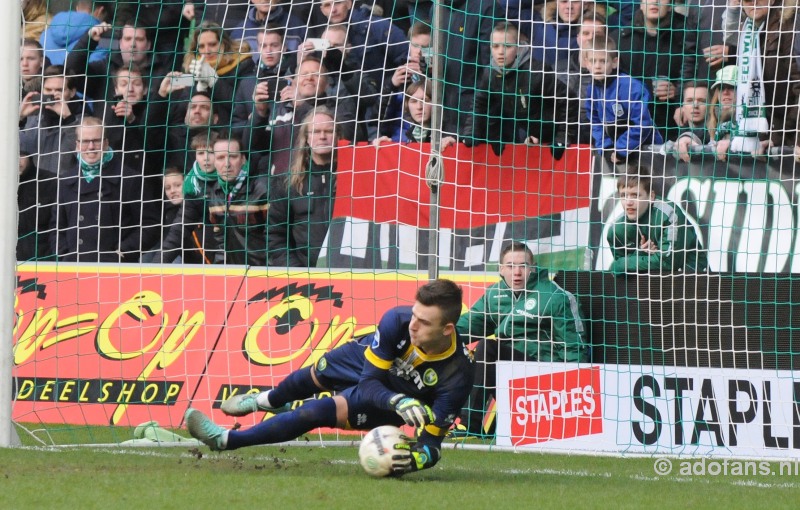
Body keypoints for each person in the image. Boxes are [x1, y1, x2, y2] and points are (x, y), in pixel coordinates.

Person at [184, 278, 474, 476]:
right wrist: (397, 400)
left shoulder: (457, 375)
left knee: (312, 413)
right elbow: (369, 379)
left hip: (384, 401)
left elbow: (431, 446)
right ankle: (266, 400)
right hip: (375, 371)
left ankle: (224, 439)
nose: (413, 325)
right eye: (414, 315)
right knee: (316, 373)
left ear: (447, 329)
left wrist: (414, 460)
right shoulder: (396, 321)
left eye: (424, 323)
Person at [456, 241, 589, 436]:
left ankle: (471, 426)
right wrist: (433, 335)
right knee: (457, 350)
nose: (517, 272)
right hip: (507, 374)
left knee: (488, 348)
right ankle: (444, 419)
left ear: (532, 268)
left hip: (545, 377)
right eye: (510, 266)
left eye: (523, 265)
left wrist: (572, 393)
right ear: (501, 270)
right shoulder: (495, 294)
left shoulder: (554, 296)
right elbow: (469, 325)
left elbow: (574, 347)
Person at [457, 21, 577, 158]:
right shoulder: (490, 73)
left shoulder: (536, 72)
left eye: (507, 46)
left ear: (518, 47)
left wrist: (562, 136)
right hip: (531, 135)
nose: (500, 52)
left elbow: (569, 99)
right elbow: (480, 104)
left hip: (562, 136)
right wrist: (471, 132)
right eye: (495, 46)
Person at [50, 117, 161, 262]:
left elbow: (150, 225)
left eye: (96, 140)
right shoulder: (65, 181)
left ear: (106, 143)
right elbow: (55, 228)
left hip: (115, 270)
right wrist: (64, 254)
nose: (91, 147)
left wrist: (123, 251)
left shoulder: (130, 179)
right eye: (85, 141)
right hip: (74, 269)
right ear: (77, 145)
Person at [614, 0, 696, 138]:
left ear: (670, 5)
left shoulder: (686, 35)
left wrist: (678, 91)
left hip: (674, 125)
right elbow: (612, 84)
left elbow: (697, 73)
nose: (654, 1)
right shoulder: (620, 39)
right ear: (640, 4)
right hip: (631, 128)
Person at [267, 107, 337, 267]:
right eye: (316, 131)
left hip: (350, 276)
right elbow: (275, 235)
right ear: (306, 138)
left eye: (329, 131)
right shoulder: (287, 182)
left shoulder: (355, 177)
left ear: (338, 135)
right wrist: (297, 273)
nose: (323, 136)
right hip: (304, 277)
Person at [607, 168, 709, 275]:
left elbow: (668, 263)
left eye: (635, 195)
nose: (628, 202)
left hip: (693, 279)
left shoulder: (670, 214)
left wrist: (627, 263)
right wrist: (641, 252)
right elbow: (617, 270)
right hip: (644, 285)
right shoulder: (615, 230)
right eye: (623, 195)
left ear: (651, 196)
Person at [584, 36, 662, 164]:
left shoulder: (630, 87)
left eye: (603, 61)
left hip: (645, 151)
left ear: (614, 62)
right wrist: (605, 146)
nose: (597, 66)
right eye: (593, 61)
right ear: (587, 63)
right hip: (616, 155)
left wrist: (622, 148)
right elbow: (594, 121)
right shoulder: (592, 89)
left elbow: (642, 124)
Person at [207, 132, 269, 266]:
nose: (227, 164)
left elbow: (277, 239)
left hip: (264, 274)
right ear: (214, 162)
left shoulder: (263, 189)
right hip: (232, 275)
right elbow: (220, 241)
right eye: (220, 158)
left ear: (243, 159)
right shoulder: (215, 193)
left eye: (232, 157)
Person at [17, 141, 57, 262]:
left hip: (44, 263)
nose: (16, 160)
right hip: (6, 266)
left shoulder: (51, 182)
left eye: (21, 155)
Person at [673, 82, 711, 162]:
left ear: (711, 105)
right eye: (689, 101)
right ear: (683, 106)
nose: (695, 105)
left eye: (702, 101)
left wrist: (688, 137)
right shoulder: (675, 133)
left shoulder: (719, 132)